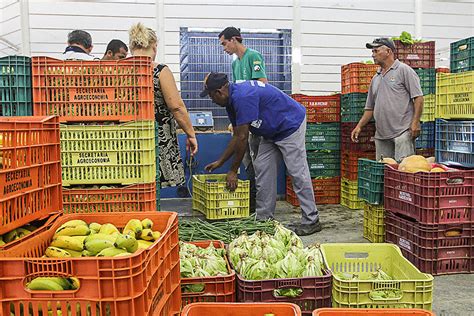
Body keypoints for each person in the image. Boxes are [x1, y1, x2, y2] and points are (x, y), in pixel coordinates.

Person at [201, 73, 321, 236]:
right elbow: (237, 135)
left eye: (211, 96)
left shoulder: (242, 97)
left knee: (297, 173)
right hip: (270, 131)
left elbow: (243, 138)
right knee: (263, 171)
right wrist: (221, 162)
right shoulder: (231, 100)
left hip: (290, 125)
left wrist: (232, 171)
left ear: (219, 92)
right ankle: (264, 221)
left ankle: (311, 220)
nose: (212, 100)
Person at [128, 23, 198, 188]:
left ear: (131, 46)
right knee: (152, 188)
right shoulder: (160, 71)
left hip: (128, 140)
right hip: (156, 140)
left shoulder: (118, 71)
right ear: (154, 46)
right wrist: (191, 134)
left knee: (132, 187)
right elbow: (176, 107)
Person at [218, 26, 268, 212]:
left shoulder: (253, 56)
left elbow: (262, 84)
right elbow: (235, 93)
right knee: (247, 158)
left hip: (256, 117)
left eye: (224, 43)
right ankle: (252, 200)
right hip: (245, 118)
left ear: (234, 40)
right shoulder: (235, 63)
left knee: (258, 161)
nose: (224, 48)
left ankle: (259, 202)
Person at [351, 37, 423, 161]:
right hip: (381, 135)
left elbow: (418, 98)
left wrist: (415, 122)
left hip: (403, 133)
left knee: (403, 171)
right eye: (372, 52)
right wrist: (359, 126)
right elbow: (370, 108)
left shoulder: (403, 70)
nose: (373, 55)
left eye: (376, 51)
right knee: (383, 174)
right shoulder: (376, 78)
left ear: (388, 51)